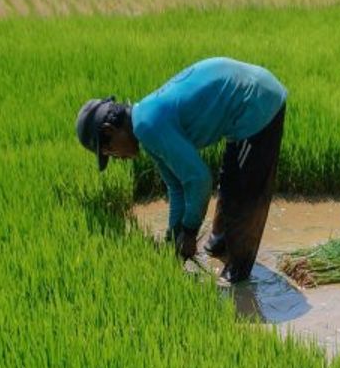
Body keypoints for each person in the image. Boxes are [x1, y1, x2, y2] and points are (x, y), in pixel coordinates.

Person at [75, 57, 288, 282]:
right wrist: (174, 236)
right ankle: (220, 247)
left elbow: (199, 179)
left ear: (109, 130)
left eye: (110, 153)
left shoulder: (147, 125)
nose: (119, 159)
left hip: (256, 101)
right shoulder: (145, 127)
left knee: (243, 199)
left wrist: (189, 231)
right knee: (220, 226)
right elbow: (176, 187)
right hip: (241, 107)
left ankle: (239, 281)